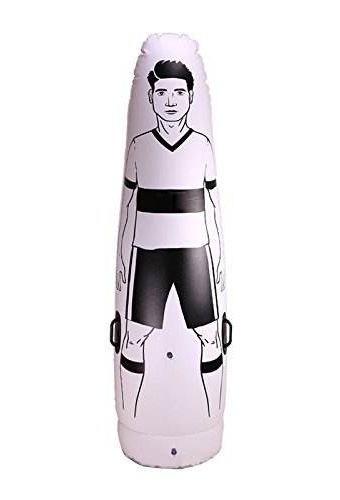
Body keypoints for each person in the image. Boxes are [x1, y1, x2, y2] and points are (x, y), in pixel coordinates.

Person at [116, 60, 224, 418]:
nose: (171, 100)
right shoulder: (140, 146)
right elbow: (128, 207)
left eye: (179, 92)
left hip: (194, 254)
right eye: (162, 92)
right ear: (150, 97)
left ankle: (209, 416)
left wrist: (218, 261)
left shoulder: (202, 146)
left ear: (191, 97)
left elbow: (212, 207)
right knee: (134, 336)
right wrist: (123, 262)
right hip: (149, 256)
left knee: (211, 336)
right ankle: (132, 415)